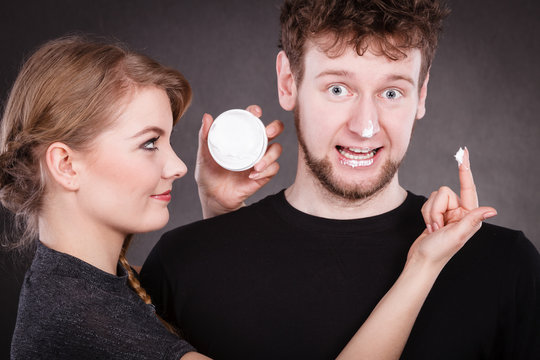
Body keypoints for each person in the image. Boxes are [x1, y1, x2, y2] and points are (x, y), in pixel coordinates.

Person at [0, 35, 494, 360]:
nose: (176, 165)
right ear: (66, 164)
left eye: (168, 142)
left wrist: (219, 217)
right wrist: (422, 266)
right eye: (149, 143)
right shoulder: (78, 317)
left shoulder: (86, 284)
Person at [140, 0, 540, 359]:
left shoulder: (506, 267)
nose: (365, 127)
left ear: (422, 94)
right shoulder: (182, 263)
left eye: (391, 93)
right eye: (337, 88)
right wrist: (222, 229)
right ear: (288, 81)